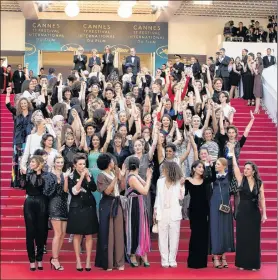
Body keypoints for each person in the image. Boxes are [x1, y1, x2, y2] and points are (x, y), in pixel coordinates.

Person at [231, 149, 267, 271]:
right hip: (242, 212)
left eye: (247, 169)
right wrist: (232, 154)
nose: (244, 170)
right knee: (242, 237)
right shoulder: (241, 179)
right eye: (244, 168)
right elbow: (235, 167)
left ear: (253, 171)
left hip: (254, 212)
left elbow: (262, 198)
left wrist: (264, 214)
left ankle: (253, 264)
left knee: (253, 238)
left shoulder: (259, 182)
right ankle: (241, 263)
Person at [66, 153, 99, 271]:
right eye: (80, 164)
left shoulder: (88, 174)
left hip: (89, 207)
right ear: (75, 165)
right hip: (76, 208)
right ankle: (78, 261)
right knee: (77, 235)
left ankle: (88, 261)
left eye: (84, 164)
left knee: (89, 235)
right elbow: (74, 191)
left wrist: (88, 177)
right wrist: (81, 177)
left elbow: (94, 188)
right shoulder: (70, 176)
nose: (82, 166)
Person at [95, 153, 125, 271]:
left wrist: (120, 176)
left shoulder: (113, 173)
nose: (114, 163)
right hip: (107, 205)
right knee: (107, 233)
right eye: (112, 161)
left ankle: (119, 261)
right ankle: (108, 263)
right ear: (108, 163)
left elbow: (122, 188)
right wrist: (115, 179)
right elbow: (107, 191)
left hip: (117, 203)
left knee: (118, 233)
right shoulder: (101, 176)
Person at [154, 161, 184, 268]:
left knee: (174, 237)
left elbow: (181, 197)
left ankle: (172, 259)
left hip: (174, 212)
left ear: (169, 170)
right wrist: (155, 210)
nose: (162, 170)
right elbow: (158, 196)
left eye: (164, 168)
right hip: (162, 211)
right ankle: (164, 259)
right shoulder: (159, 181)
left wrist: (181, 186)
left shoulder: (178, 182)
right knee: (162, 237)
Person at [20, 155, 47, 271]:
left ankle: (39, 258)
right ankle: (31, 260)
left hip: (41, 202)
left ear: (39, 164)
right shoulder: (27, 174)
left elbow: (40, 185)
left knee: (41, 231)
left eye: (33, 162)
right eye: (30, 162)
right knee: (30, 232)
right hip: (29, 202)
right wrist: (24, 174)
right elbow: (22, 186)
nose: (31, 163)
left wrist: (39, 172)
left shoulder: (45, 175)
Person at [184, 160, 213, 269]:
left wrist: (210, 165)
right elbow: (183, 194)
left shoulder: (205, 180)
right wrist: (182, 182)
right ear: (194, 168)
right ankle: (192, 261)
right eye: (199, 167)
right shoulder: (188, 181)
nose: (201, 169)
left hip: (204, 210)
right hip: (193, 211)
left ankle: (202, 261)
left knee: (203, 235)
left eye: (202, 167)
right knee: (195, 235)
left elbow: (213, 177)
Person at [43, 155, 70, 270]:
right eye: (58, 162)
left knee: (63, 234)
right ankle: (55, 259)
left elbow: (65, 192)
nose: (60, 164)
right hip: (54, 204)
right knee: (58, 234)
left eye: (61, 162)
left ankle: (56, 257)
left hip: (64, 204)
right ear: (54, 163)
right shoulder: (48, 175)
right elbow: (47, 192)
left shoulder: (64, 175)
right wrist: (57, 181)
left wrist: (65, 179)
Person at [125, 156, 153, 267]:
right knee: (134, 227)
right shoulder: (131, 177)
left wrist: (147, 178)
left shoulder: (134, 176)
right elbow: (145, 190)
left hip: (139, 203)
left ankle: (142, 253)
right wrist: (149, 177)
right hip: (134, 204)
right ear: (138, 165)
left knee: (142, 228)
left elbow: (144, 185)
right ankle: (132, 254)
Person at [210, 157, 235, 269]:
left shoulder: (229, 176)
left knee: (225, 229)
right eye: (216, 164)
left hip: (225, 206)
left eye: (218, 164)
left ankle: (223, 257)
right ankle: (215, 257)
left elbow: (232, 166)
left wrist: (231, 153)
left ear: (224, 166)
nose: (216, 166)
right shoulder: (213, 176)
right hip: (214, 205)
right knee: (215, 229)